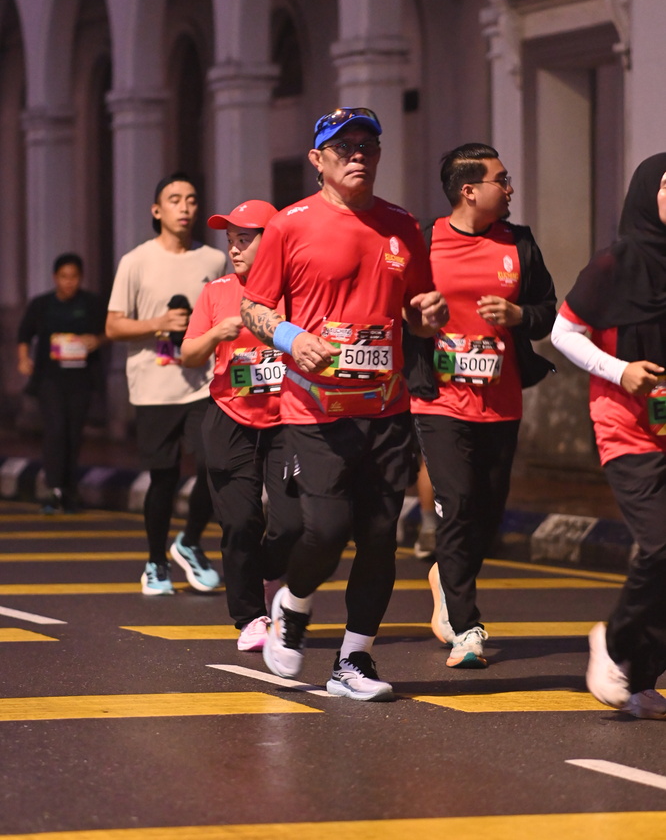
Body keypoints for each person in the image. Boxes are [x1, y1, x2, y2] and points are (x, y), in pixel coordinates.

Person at [240, 106, 448, 701]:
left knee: (380, 538)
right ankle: (293, 603)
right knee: (326, 530)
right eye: (344, 146)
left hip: (385, 407)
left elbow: (415, 307)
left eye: (368, 145)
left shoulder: (402, 225)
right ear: (318, 159)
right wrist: (291, 338)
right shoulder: (290, 225)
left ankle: (353, 660)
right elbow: (254, 308)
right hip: (315, 410)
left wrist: (427, 314)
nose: (358, 154)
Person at [410, 143, 556, 668]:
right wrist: (416, 321)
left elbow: (548, 312)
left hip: (502, 398)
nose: (510, 188)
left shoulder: (519, 242)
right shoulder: (424, 241)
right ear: (469, 190)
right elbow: (395, 308)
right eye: (502, 179)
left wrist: (519, 316)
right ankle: (467, 628)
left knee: (487, 514)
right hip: (439, 400)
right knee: (458, 501)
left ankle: (445, 576)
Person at [551, 153, 666, 720]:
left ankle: (640, 679)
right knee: (661, 545)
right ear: (647, 194)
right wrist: (621, 371)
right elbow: (564, 332)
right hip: (628, 428)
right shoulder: (615, 263)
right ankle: (613, 643)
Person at [181, 199, 302, 652]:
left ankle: (270, 574)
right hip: (229, 417)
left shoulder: (296, 291)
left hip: (288, 418)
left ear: (271, 244)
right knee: (239, 521)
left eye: (244, 240)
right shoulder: (216, 292)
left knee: (292, 522)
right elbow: (188, 354)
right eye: (231, 240)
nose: (234, 249)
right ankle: (250, 616)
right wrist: (217, 333)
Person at [106, 174, 226, 595]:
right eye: (174, 200)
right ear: (157, 210)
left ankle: (189, 541)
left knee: (216, 465)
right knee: (163, 478)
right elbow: (113, 326)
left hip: (203, 383)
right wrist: (158, 323)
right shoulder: (135, 261)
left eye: (191, 199)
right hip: (154, 386)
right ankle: (156, 562)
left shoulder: (214, 259)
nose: (185, 207)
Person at [17, 253, 106, 513]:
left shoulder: (91, 303)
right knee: (55, 430)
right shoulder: (41, 304)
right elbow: (24, 333)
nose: (69, 282)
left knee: (73, 433)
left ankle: (69, 489)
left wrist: (96, 340)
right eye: (64, 277)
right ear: (55, 278)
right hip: (50, 378)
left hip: (80, 378)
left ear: (81, 278)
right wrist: (23, 359)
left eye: (74, 277)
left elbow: (110, 330)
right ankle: (53, 488)